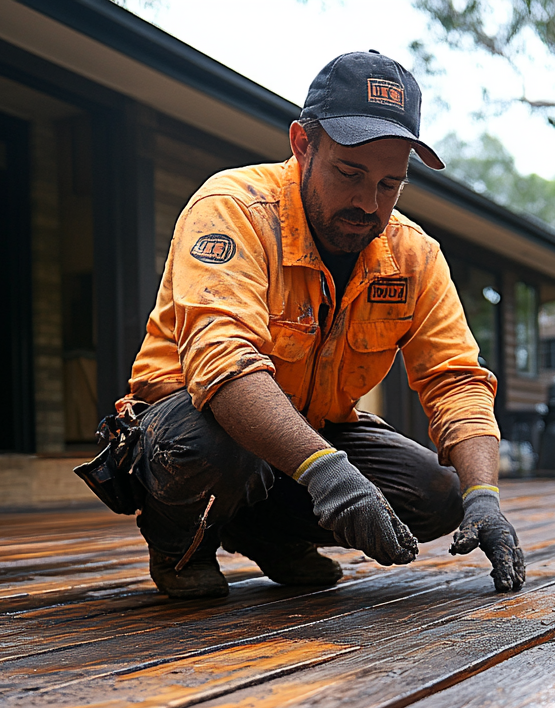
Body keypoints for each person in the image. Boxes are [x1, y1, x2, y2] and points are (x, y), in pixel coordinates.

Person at [105, 51, 525, 599]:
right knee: (216, 448)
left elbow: (457, 379)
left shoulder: (413, 255)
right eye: (349, 174)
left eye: (389, 184)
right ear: (303, 145)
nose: (367, 202)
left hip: (307, 427)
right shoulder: (233, 209)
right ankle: (181, 542)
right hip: (191, 423)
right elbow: (225, 365)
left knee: (438, 494)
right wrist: (333, 477)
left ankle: (270, 534)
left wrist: (484, 498)